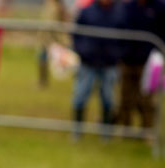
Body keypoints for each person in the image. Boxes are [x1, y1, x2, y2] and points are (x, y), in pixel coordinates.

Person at [71, 0, 121, 139]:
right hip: (88, 62)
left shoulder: (118, 12)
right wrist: (82, 51)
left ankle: (106, 133)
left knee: (108, 99)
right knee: (80, 96)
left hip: (109, 64)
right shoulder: (87, 11)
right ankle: (77, 131)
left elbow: (124, 35)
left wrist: (116, 54)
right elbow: (76, 33)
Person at [115, 0, 165, 137]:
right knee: (126, 98)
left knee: (147, 100)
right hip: (127, 60)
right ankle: (126, 130)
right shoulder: (127, 7)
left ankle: (147, 131)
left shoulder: (159, 7)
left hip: (149, 62)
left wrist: (158, 52)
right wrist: (121, 51)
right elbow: (120, 28)